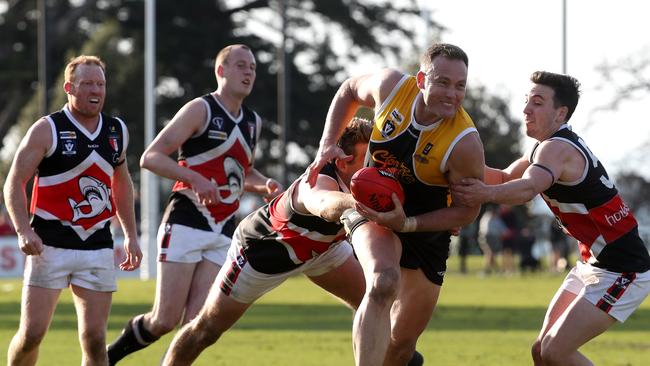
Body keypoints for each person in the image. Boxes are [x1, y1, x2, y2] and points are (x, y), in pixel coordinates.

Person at [452, 71, 650, 365]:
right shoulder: (545, 147)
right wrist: (448, 164)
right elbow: (505, 177)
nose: (526, 110)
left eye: (537, 102)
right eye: (527, 101)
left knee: (555, 351)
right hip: (593, 264)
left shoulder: (557, 149)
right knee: (541, 352)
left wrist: (482, 193)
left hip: (624, 269)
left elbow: (528, 188)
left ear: (561, 113)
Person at [306, 43, 485, 365]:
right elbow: (348, 90)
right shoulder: (391, 87)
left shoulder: (465, 143)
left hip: (425, 228)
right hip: (372, 209)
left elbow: (468, 211)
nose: (452, 94)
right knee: (382, 282)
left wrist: (409, 224)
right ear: (421, 80)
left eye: (460, 86)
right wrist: (326, 145)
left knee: (400, 348)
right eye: (442, 82)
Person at [106, 44, 282, 365]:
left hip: (224, 229)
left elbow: (241, 171)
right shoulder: (200, 109)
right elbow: (152, 157)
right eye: (240, 65)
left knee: (197, 324)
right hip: (187, 220)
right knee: (164, 320)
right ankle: (106, 357)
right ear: (221, 71)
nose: (248, 72)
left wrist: (264, 183)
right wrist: (195, 179)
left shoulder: (252, 122)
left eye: (253, 68)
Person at [4, 55, 142, 366]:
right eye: (88, 83)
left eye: (101, 84)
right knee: (32, 334)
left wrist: (131, 236)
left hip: (96, 245)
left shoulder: (117, 130)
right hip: (48, 246)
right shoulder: (47, 129)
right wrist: (24, 230)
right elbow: (14, 182)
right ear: (70, 87)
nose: (96, 90)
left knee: (95, 339)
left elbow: (121, 183)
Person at [477, 204, 506, 275]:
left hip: (492, 238)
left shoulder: (496, 218)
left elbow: (502, 228)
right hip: (485, 238)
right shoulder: (487, 217)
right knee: (489, 254)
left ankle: (493, 270)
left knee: (491, 254)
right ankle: (489, 270)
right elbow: (487, 230)